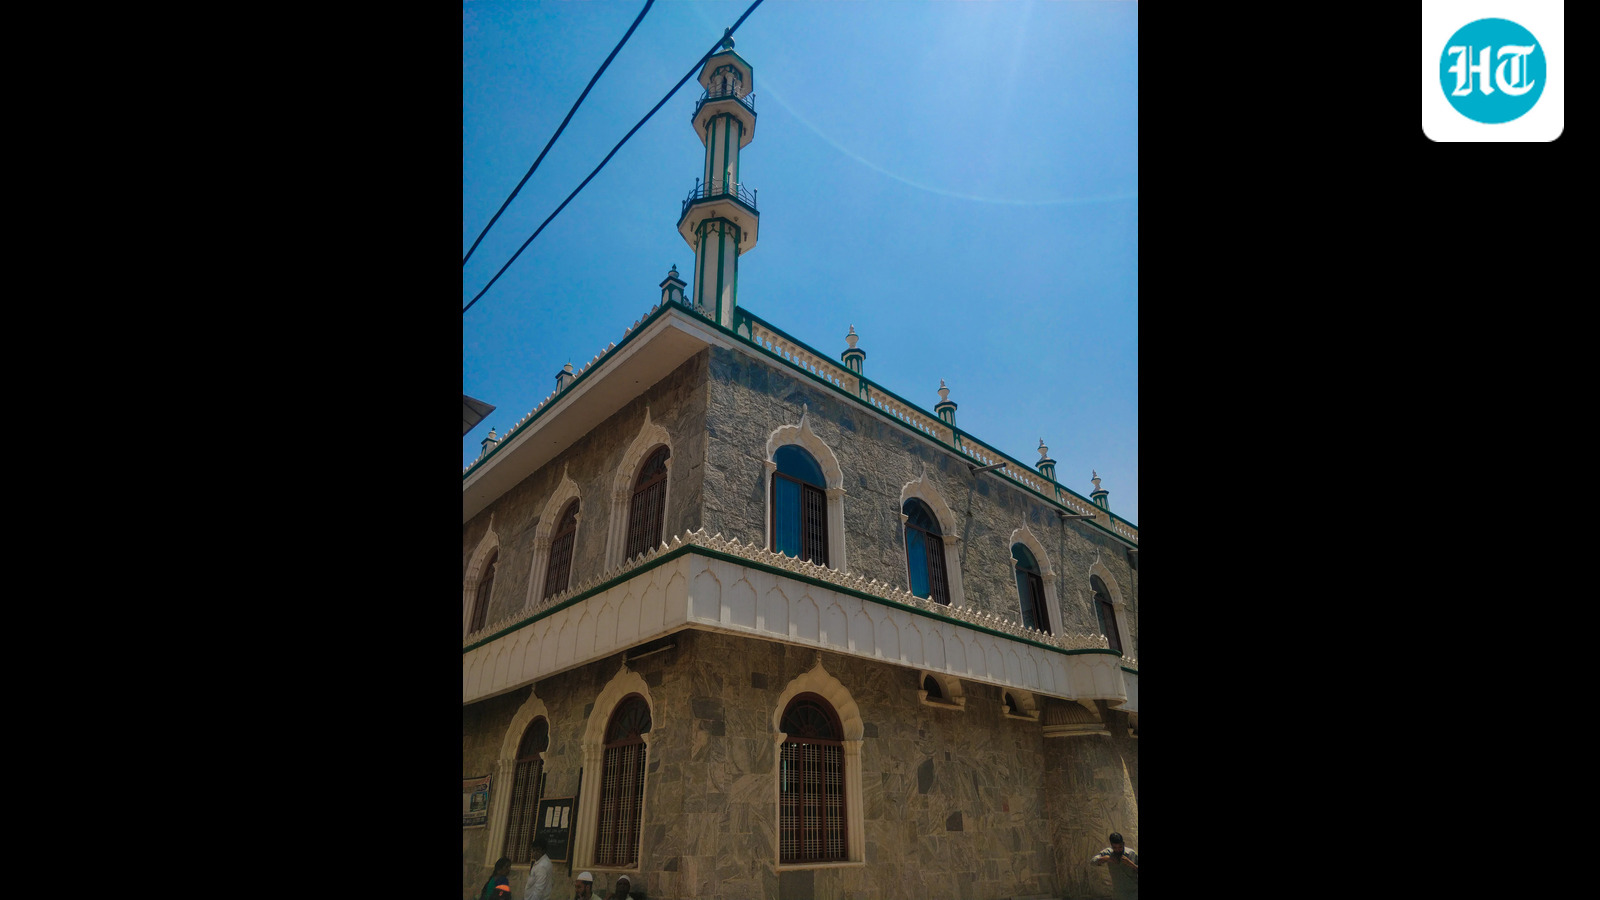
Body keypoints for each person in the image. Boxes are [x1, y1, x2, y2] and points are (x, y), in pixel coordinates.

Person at [1090, 831, 1138, 900]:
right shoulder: (1108, 852)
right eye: (1115, 847)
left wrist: (1130, 863)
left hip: (1133, 893)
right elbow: (1093, 862)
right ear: (1111, 846)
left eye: (1120, 847)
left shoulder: (1131, 854)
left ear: (1123, 844)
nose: (1118, 850)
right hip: (1118, 894)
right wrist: (1106, 858)